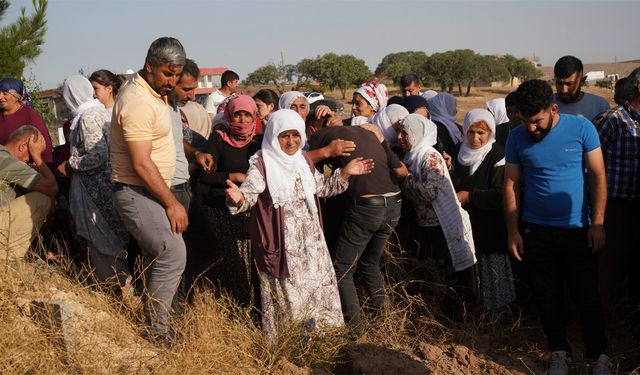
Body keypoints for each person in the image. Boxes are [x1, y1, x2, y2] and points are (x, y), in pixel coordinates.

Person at [225, 109, 374, 337]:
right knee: (292, 297)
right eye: (285, 136)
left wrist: (345, 173)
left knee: (317, 291)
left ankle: (322, 341)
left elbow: (322, 188)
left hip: (312, 243)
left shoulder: (303, 161)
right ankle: (294, 345)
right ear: (274, 136)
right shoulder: (262, 164)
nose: (291, 141)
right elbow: (249, 195)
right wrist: (239, 198)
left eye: (296, 135)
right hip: (284, 244)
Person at [503, 79, 609, 374]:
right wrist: (513, 230)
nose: (531, 129)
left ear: (552, 108)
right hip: (536, 231)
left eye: (537, 121)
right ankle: (558, 352)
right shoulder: (516, 137)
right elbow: (510, 183)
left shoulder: (581, 128)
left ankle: (598, 355)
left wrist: (597, 223)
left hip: (578, 229)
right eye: (526, 122)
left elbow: (598, 176)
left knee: (586, 294)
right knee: (546, 296)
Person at [110, 37, 188, 346]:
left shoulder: (155, 93)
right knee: (172, 252)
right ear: (149, 65)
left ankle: (160, 323)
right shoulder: (138, 101)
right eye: (168, 74)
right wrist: (171, 203)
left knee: (162, 255)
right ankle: (157, 332)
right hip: (134, 189)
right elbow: (141, 164)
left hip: (149, 189)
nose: (173, 81)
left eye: (177, 75)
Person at [308, 120, 405, 336]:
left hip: (368, 207)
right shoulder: (367, 132)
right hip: (394, 204)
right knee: (370, 263)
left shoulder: (318, 139)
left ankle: (356, 333)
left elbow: (308, 174)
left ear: (311, 130)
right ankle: (384, 322)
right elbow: (399, 171)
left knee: (343, 270)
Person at [56, 75, 130, 292]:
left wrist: (69, 165)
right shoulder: (96, 112)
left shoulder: (88, 117)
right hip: (102, 187)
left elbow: (97, 156)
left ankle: (113, 289)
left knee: (102, 240)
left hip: (94, 190)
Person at [190, 95, 262, 307]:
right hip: (221, 209)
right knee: (232, 263)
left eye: (247, 115)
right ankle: (236, 306)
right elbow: (206, 175)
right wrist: (233, 177)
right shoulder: (219, 138)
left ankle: (257, 308)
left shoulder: (258, 141)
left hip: (251, 209)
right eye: (237, 115)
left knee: (254, 264)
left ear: (254, 117)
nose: (241, 120)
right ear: (229, 114)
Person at [397, 114, 476, 302]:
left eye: (404, 133)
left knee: (446, 273)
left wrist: (405, 177)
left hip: (440, 225)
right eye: (399, 132)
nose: (399, 137)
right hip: (426, 225)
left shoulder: (430, 156)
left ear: (417, 134)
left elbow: (429, 192)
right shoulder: (413, 156)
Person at [451, 109, 515, 323]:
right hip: (465, 226)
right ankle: (474, 316)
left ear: (491, 133)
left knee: (492, 270)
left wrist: (471, 197)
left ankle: (498, 320)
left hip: (489, 226)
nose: (476, 138)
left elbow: (501, 194)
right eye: (471, 132)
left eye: (481, 133)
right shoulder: (459, 153)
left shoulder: (497, 155)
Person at [592, 67, 640, 310]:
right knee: (610, 268)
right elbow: (586, 163)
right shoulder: (611, 120)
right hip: (614, 209)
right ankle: (604, 326)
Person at [1, 126, 57, 260]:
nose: (32, 164)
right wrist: (38, 158)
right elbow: (51, 187)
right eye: (30, 158)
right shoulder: (5, 160)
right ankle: (6, 261)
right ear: (22, 146)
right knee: (42, 200)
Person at [0, 78, 54, 164]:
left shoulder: (30, 114)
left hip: (27, 170)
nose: (0, 97)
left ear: (16, 96)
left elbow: (45, 145)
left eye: (5, 93)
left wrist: (46, 167)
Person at [553, 56, 609, 121]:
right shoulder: (545, 105)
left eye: (569, 84)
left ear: (582, 81)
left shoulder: (599, 106)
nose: (564, 90)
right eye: (559, 83)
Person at [427, 92, 462, 158]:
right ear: (443, 108)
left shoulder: (448, 124)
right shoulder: (439, 128)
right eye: (453, 106)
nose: (455, 110)